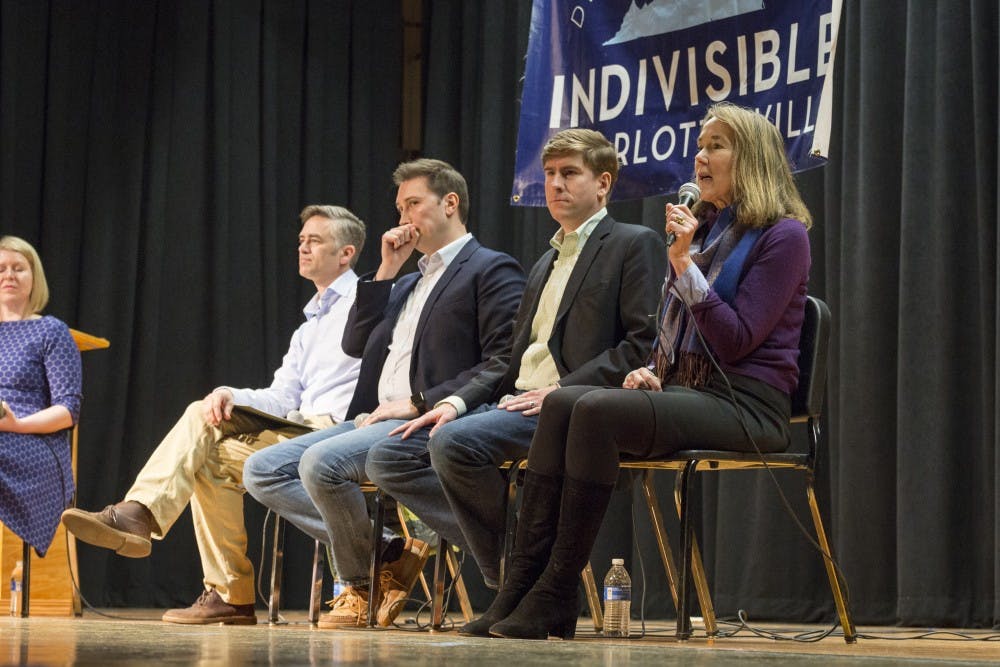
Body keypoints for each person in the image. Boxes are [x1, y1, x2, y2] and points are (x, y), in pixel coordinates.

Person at [481, 102, 813, 640]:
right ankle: (520, 587)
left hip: (750, 406)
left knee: (592, 409)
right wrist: (654, 371)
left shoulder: (783, 235)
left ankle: (557, 590)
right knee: (563, 401)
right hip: (691, 393)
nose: (700, 157)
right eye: (700, 146)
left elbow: (736, 340)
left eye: (716, 146)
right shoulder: (703, 228)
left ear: (750, 158)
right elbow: (675, 328)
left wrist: (683, 265)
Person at [367, 128, 666, 615]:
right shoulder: (546, 259)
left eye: (570, 174)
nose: (556, 185)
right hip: (512, 400)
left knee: (454, 444)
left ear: (604, 183)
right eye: (549, 175)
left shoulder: (634, 243)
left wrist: (561, 390)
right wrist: (452, 402)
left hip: (574, 406)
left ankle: (516, 586)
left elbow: (641, 345)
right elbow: (507, 359)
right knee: (392, 456)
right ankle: (524, 574)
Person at [243, 159, 526, 628]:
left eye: (412, 204)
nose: (403, 219)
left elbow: (503, 362)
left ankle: (360, 585)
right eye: (399, 209)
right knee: (263, 470)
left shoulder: (489, 268)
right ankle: (389, 551)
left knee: (322, 465)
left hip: (428, 417)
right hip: (375, 419)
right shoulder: (409, 279)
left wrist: (422, 401)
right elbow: (355, 342)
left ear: (450, 203)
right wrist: (387, 268)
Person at [61, 205, 366, 625]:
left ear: (346, 253)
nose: (303, 247)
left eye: (314, 240)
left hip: (339, 433)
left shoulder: (366, 301)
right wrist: (227, 394)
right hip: (298, 428)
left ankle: (147, 521)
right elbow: (281, 395)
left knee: (205, 450)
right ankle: (227, 594)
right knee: (205, 431)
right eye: (300, 240)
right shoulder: (309, 325)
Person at [0, 236, 82, 558]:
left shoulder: (51, 331)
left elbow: (67, 410)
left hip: (35, 441)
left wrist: (16, 425)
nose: (9, 275)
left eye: (18, 268)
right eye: (2, 268)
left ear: (34, 278)